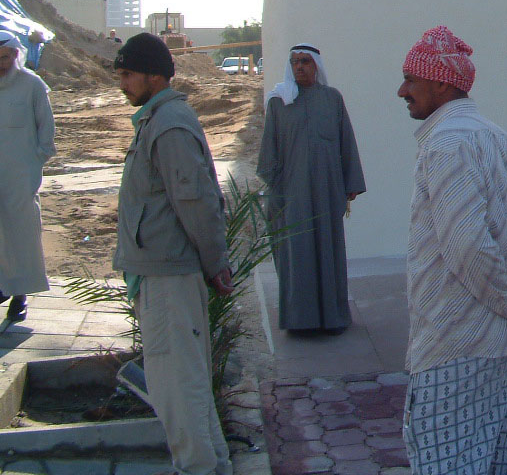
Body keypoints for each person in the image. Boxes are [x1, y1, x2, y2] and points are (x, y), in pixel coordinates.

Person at [397, 26, 507, 475]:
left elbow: (468, 246)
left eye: (411, 79)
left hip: (457, 346)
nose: (402, 91)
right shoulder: (497, 137)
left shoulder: (448, 144)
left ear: (441, 84)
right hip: (500, 344)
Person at [112, 33, 233, 475]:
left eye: (128, 74)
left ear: (155, 76)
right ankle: (213, 465)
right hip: (162, 273)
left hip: (168, 278)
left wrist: (216, 263)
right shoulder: (158, 120)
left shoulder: (168, 125)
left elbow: (196, 202)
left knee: (176, 390)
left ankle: (197, 467)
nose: (122, 83)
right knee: (186, 384)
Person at [257, 43, 366, 334]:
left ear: (316, 65)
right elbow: (268, 153)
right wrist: (275, 191)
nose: (299, 67)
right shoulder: (279, 103)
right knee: (298, 255)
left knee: (328, 253)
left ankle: (333, 319)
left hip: (327, 192)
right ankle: (300, 321)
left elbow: (346, 142)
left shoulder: (332, 99)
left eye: (305, 61)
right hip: (292, 196)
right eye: (294, 62)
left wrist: (351, 184)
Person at [0, 30, 53, 322]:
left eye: (5, 58)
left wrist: (36, 161)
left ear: (15, 55)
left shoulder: (32, 85)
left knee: (21, 233)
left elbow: (46, 127)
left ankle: (20, 294)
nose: (1, 64)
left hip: (21, 175)